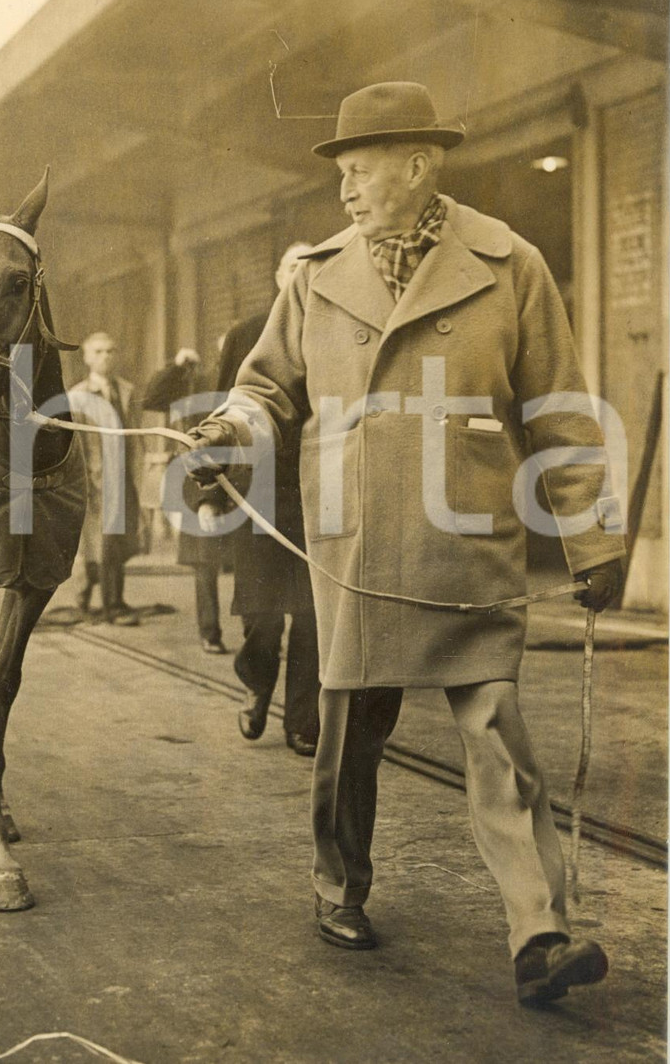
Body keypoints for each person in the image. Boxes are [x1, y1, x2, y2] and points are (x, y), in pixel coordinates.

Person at [187, 82, 626, 1004]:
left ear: (419, 166)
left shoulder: (511, 266)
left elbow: (560, 409)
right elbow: (265, 387)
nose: (345, 191)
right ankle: (338, 886)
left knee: (498, 738)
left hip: (469, 544)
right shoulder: (316, 275)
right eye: (341, 174)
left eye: (359, 171)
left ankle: (539, 934)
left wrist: (592, 540)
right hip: (355, 545)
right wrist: (228, 429)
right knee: (349, 733)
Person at [198, 244, 321, 757]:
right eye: (294, 267)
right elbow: (217, 412)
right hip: (258, 492)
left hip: (318, 496)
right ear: (278, 276)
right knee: (262, 615)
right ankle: (256, 684)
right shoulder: (248, 335)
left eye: (312, 268)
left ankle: (302, 721)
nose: (302, 276)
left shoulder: (335, 333)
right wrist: (204, 489)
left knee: (313, 617)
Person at [143, 347, 228, 654]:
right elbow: (152, 398)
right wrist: (176, 366)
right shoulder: (196, 384)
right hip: (200, 483)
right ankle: (210, 631)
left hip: (246, 481)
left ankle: (260, 639)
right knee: (205, 564)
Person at [69, 331, 143, 627]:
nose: (106, 357)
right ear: (87, 357)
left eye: (111, 351)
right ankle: (92, 601)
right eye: (98, 351)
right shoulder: (77, 397)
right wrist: (85, 482)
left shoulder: (126, 391)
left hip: (123, 477)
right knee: (95, 544)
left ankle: (113, 600)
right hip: (94, 480)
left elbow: (135, 435)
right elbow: (76, 446)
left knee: (119, 541)